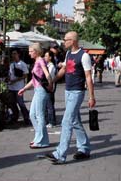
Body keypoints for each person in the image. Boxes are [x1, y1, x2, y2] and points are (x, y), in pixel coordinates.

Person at [46, 31, 96, 164]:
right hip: (68, 91)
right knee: (75, 121)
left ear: (72, 41)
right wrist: (53, 80)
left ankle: (60, 154)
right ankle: (84, 148)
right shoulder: (68, 54)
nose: (63, 42)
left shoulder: (84, 56)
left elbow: (88, 77)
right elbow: (64, 70)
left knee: (67, 121)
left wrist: (91, 97)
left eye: (65, 39)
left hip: (77, 92)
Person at [18, 43, 53, 148]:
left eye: (30, 51)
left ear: (36, 51)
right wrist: (24, 88)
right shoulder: (37, 62)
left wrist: (50, 84)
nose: (29, 53)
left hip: (41, 91)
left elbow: (47, 74)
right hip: (37, 90)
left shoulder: (40, 61)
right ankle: (40, 137)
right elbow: (34, 80)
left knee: (39, 115)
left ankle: (41, 140)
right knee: (32, 115)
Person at [8, 50, 31, 126]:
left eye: (15, 54)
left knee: (21, 103)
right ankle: (15, 116)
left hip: (19, 87)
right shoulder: (11, 64)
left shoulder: (22, 64)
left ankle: (26, 118)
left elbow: (25, 75)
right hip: (11, 87)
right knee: (12, 103)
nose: (13, 55)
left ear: (18, 54)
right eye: (12, 54)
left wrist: (15, 80)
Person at [44, 51, 57, 127]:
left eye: (46, 56)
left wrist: (50, 86)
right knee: (46, 104)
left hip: (50, 87)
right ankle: (47, 120)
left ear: (50, 57)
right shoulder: (46, 65)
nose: (45, 57)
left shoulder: (51, 66)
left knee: (49, 105)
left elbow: (50, 77)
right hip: (46, 87)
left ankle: (52, 121)